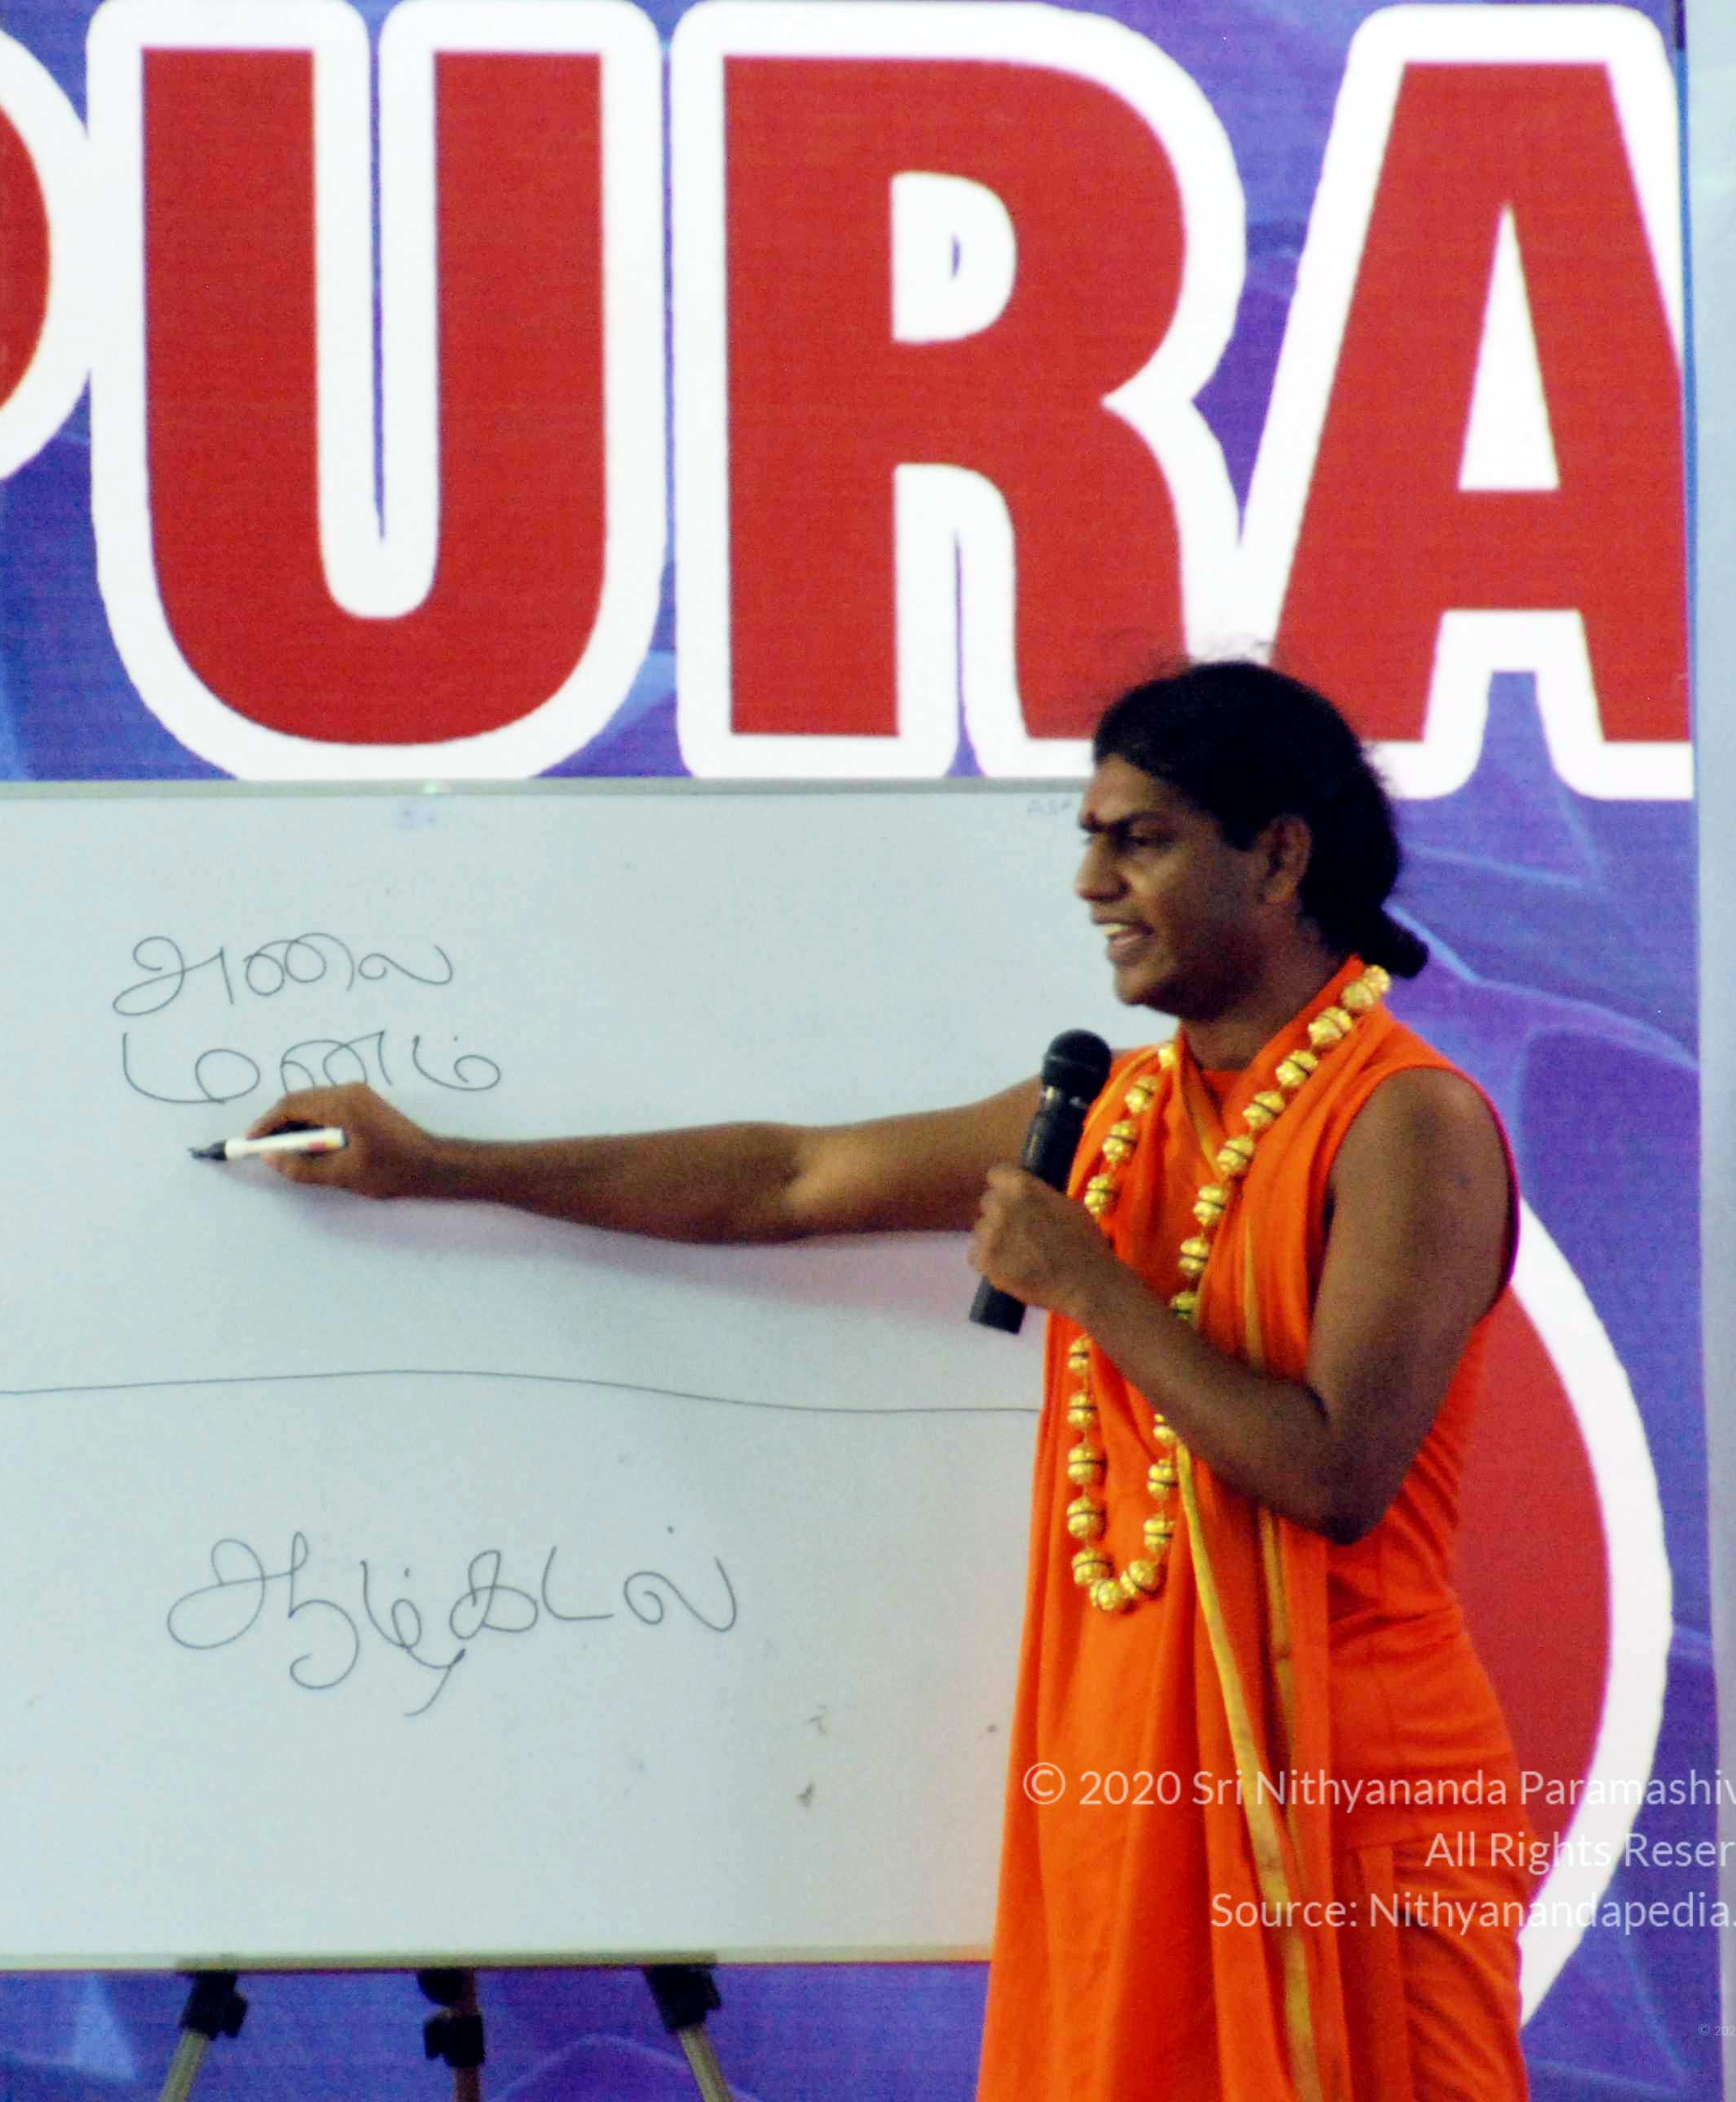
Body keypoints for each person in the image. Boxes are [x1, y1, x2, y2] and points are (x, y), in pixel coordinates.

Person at [245, 661, 1537, 2102]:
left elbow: (1334, 1473)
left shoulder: (1410, 1122)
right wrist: (436, 1166)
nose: (1092, 884)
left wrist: (1092, 1287)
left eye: (1141, 841)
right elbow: (790, 1180)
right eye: (1091, 839)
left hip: (1354, 1797)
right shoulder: (1112, 1115)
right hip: (1131, 1781)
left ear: (1280, 856)